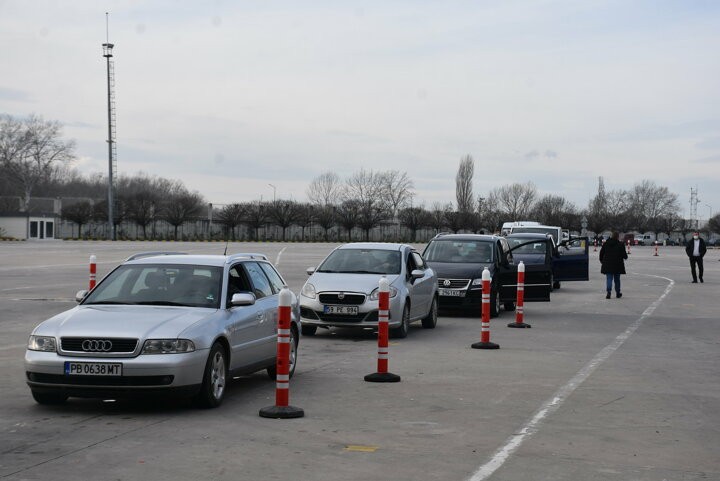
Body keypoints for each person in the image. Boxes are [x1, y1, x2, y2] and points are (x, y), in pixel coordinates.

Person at [599, 231, 628, 299]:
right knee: (617, 279)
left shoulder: (606, 243)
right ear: (617, 237)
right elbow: (625, 256)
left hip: (608, 264)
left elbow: (601, 253)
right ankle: (618, 293)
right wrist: (625, 257)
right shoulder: (620, 244)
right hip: (617, 265)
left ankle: (608, 292)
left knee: (609, 278)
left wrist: (601, 260)